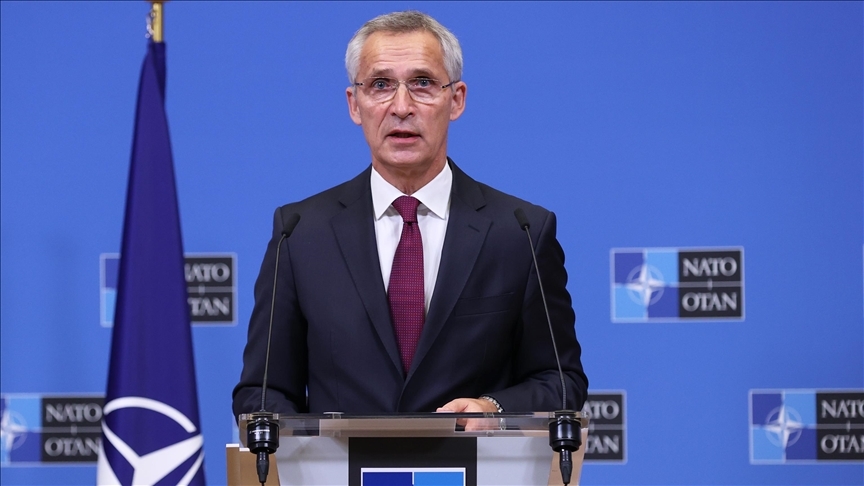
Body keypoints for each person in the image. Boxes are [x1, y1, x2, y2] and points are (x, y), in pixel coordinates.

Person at [232, 10, 588, 419]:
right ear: (354, 104)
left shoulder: (520, 233)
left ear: (456, 100)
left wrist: (492, 408)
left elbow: (561, 381)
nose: (401, 107)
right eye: (381, 85)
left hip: (472, 459)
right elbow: (263, 392)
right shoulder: (299, 234)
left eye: (422, 83)